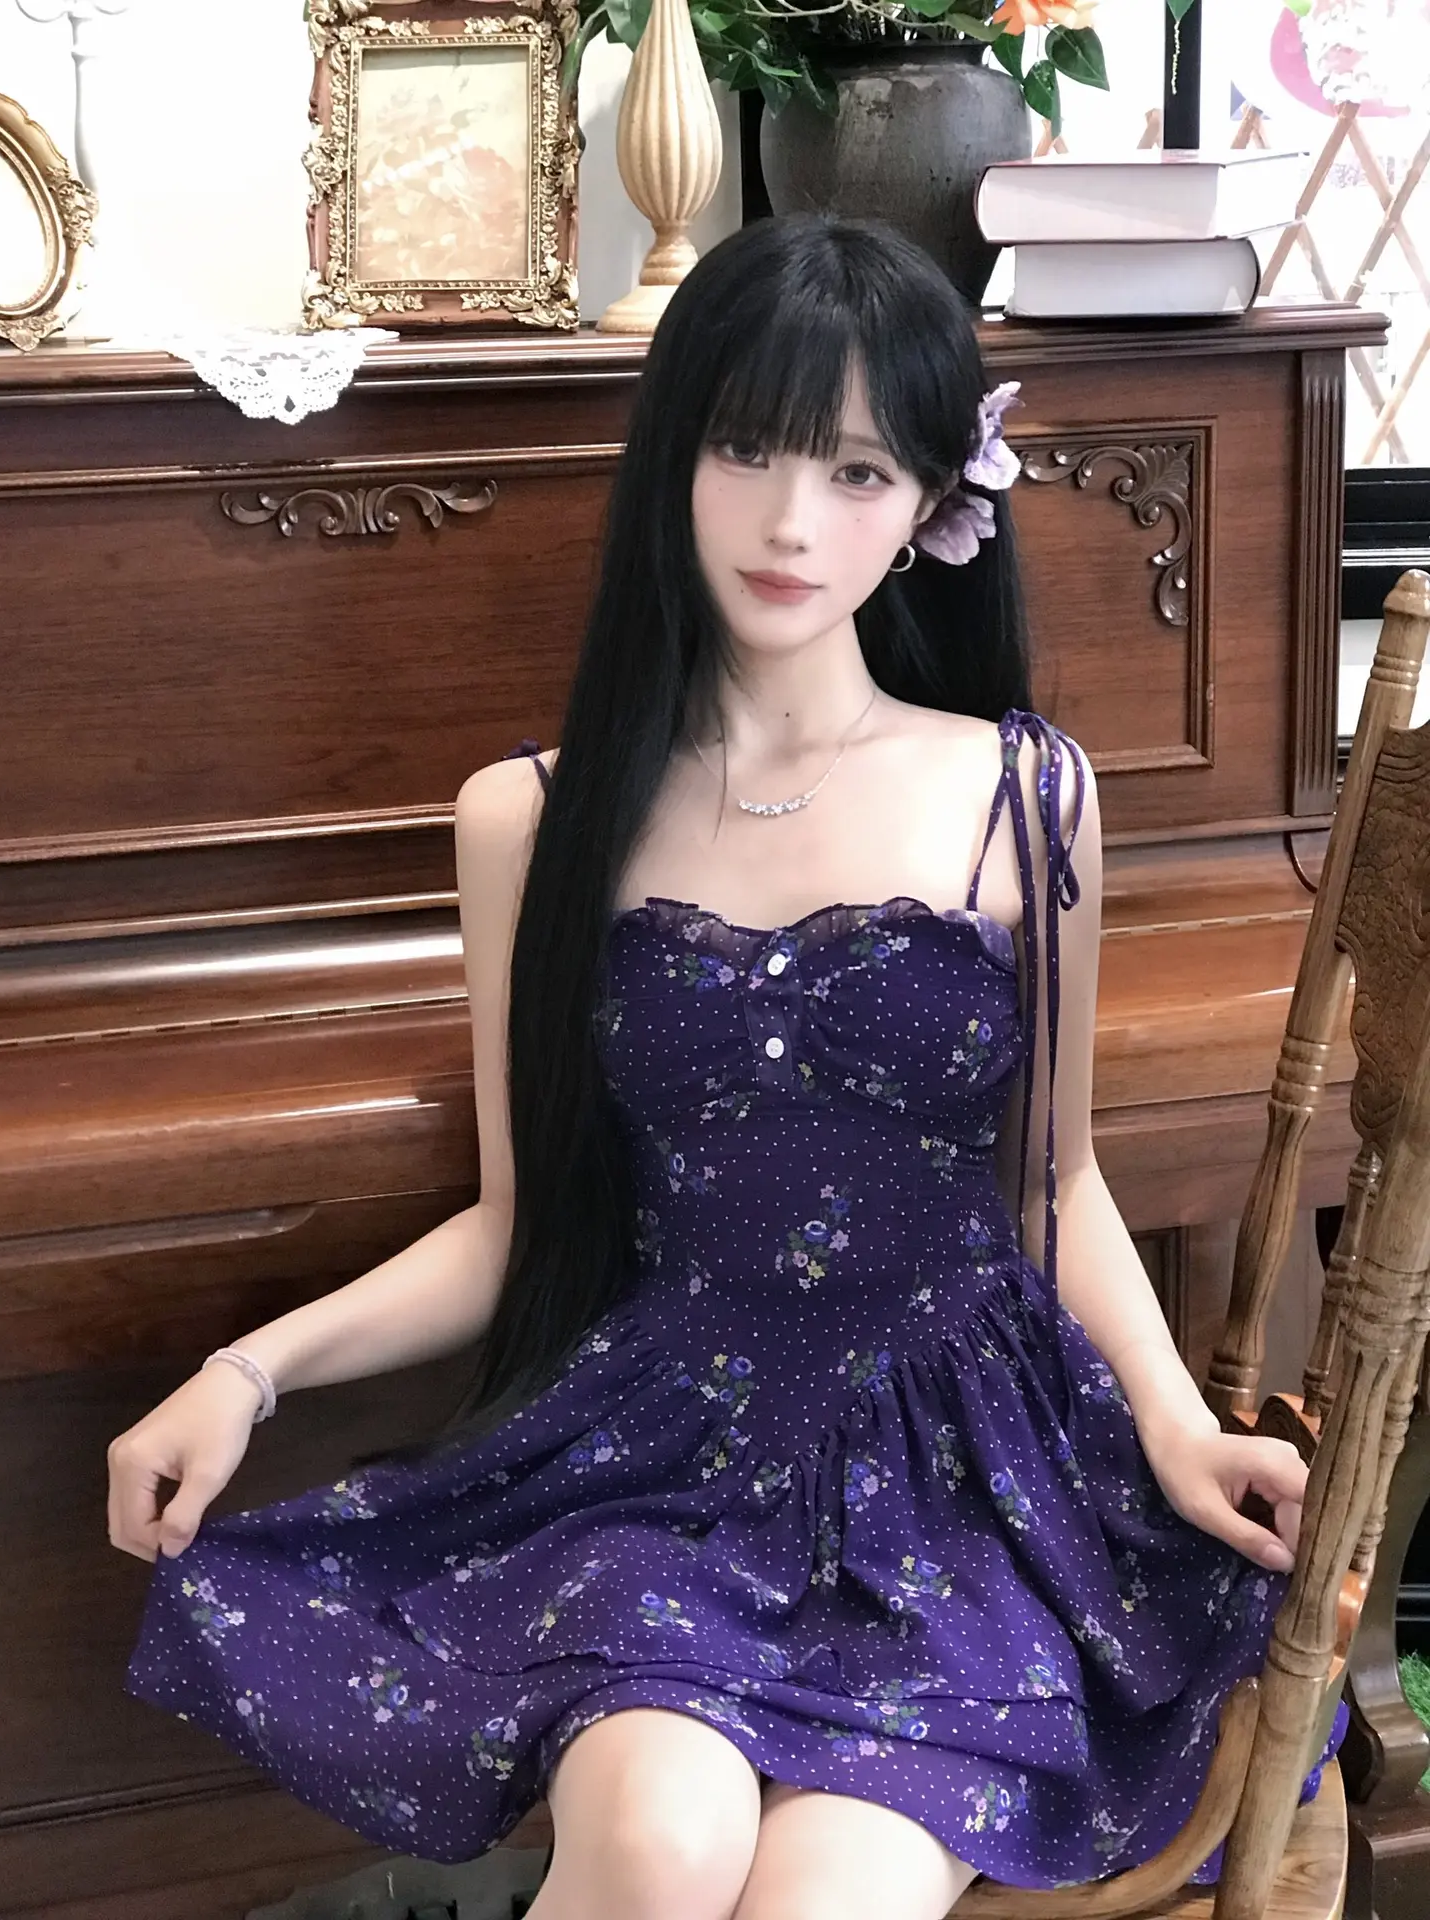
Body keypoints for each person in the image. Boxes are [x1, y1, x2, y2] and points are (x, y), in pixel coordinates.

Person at [108, 213, 1343, 1919]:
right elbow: (519, 1220)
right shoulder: (530, 817)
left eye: (857, 470)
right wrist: (247, 1373)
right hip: (673, 1462)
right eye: (749, 448)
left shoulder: (1023, 789)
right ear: (671, 453)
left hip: (963, 1479)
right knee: (657, 1842)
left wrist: (1179, 1424)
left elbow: (1052, 1184)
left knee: (827, 1897)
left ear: (933, 503)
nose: (790, 523)